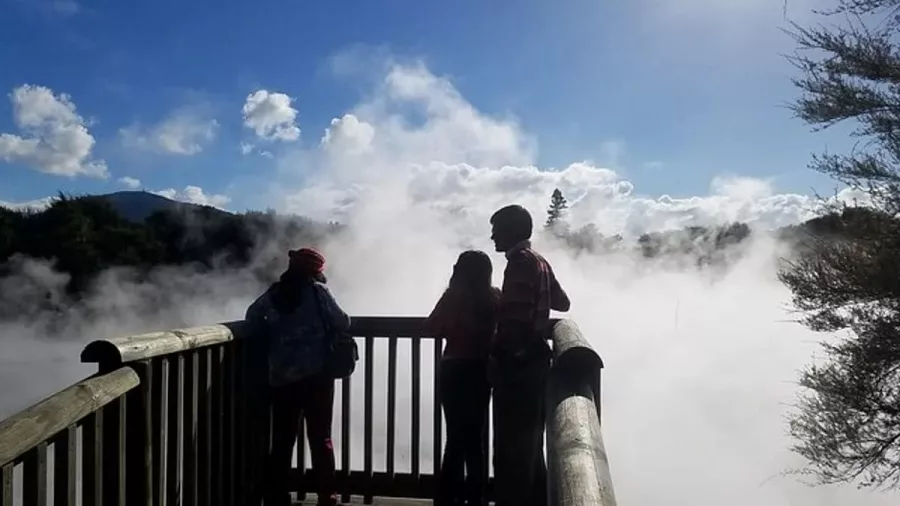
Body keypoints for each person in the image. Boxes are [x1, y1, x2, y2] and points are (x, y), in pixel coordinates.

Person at [245, 247, 350, 506]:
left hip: (282, 377)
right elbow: (343, 321)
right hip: (317, 376)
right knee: (320, 436)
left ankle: (275, 494)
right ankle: (327, 494)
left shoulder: (274, 294)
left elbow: (252, 318)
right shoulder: (317, 291)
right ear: (315, 271)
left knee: (283, 438)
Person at [488, 205, 570, 506]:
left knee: (513, 446)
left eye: (496, 228)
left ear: (512, 231)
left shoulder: (519, 263)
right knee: (531, 445)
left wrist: (497, 356)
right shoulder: (540, 261)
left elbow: (515, 322)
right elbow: (562, 302)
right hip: (537, 362)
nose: (492, 235)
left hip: (518, 365)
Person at [424, 250, 501, 506]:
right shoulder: (494, 298)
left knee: (455, 438)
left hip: (453, 370)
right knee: (474, 438)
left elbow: (431, 326)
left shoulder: (453, 298)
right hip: (480, 371)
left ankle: (447, 497)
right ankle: (476, 498)